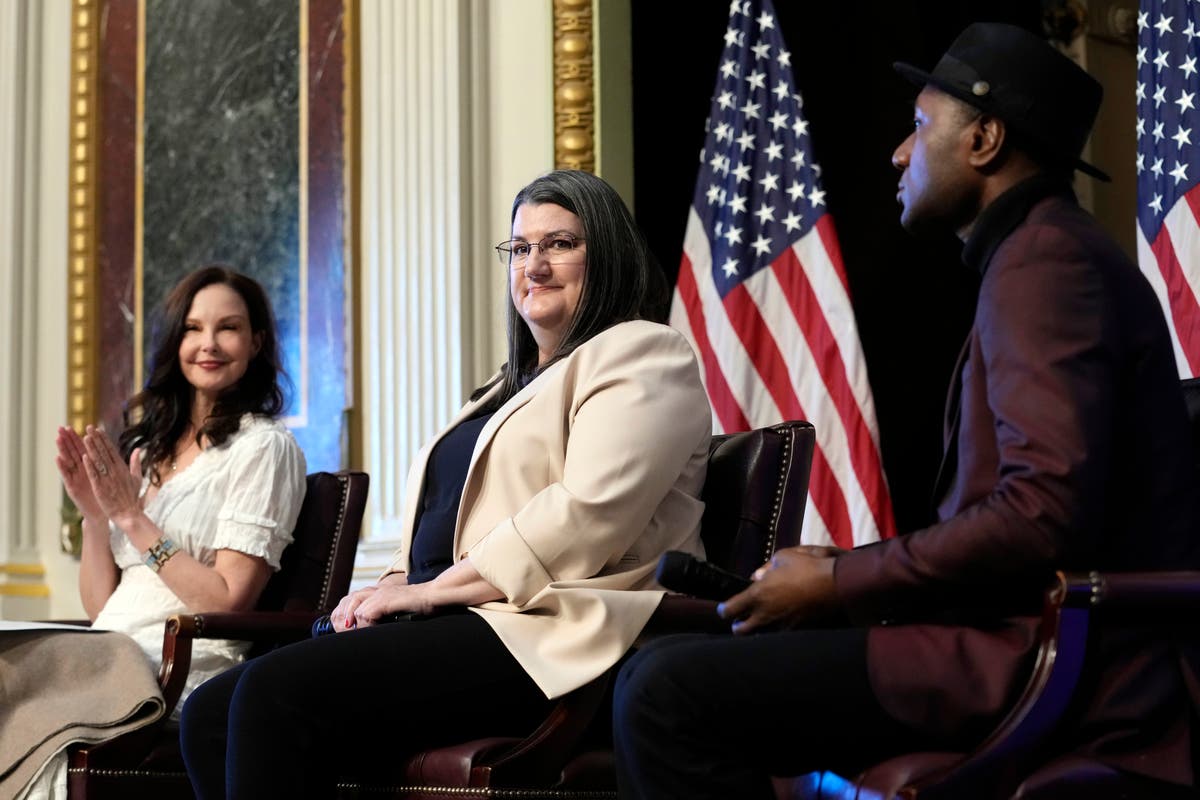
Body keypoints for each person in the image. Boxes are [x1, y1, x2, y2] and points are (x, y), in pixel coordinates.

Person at [611, 22, 1200, 799]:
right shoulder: (1038, 253)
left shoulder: (1045, 263)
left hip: (1043, 659)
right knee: (656, 670)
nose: (898, 152)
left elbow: (1041, 513)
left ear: (985, 140)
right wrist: (843, 573)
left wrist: (846, 580)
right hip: (1001, 633)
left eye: (921, 127)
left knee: (663, 695)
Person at [177, 169, 712, 798]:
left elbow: (584, 516)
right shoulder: (501, 387)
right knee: (210, 712)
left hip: (552, 630)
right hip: (464, 620)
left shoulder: (645, 353)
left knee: (272, 694)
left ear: (609, 254)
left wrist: (429, 594)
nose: (534, 265)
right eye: (520, 248)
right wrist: (393, 584)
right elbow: (445, 519)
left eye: (560, 244)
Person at [7, 265, 307, 799]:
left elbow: (231, 601)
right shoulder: (150, 452)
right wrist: (96, 517)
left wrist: (132, 519)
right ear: (175, 341)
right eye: (193, 328)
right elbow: (104, 606)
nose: (208, 343)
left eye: (228, 328)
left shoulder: (264, 448)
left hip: (173, 666)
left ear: (256, 342)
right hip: (110, 647)